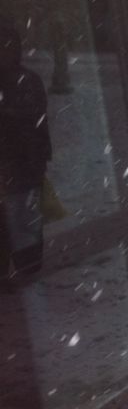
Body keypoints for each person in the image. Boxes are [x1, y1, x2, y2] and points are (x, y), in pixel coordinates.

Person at [0, 18, 52, 279]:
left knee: (24, 214)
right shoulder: (26, 80)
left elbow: (38, 121)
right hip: (15, 162)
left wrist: (41, 156)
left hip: (24, 162)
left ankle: (27, 265)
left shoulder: (27, 80)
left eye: (9, 46)